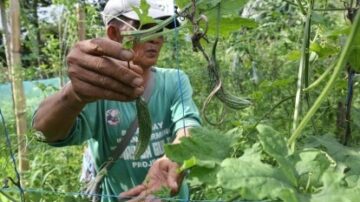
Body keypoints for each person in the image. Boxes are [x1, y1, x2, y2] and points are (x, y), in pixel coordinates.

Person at [32, 0, 201, 201]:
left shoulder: (175, 80)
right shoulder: (95, 91)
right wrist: (73, 94)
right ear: (113, 34)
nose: (157, 38)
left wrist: (176, 156)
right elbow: (44, 134)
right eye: (146, 27)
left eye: (161, 28)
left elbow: (189, 125)